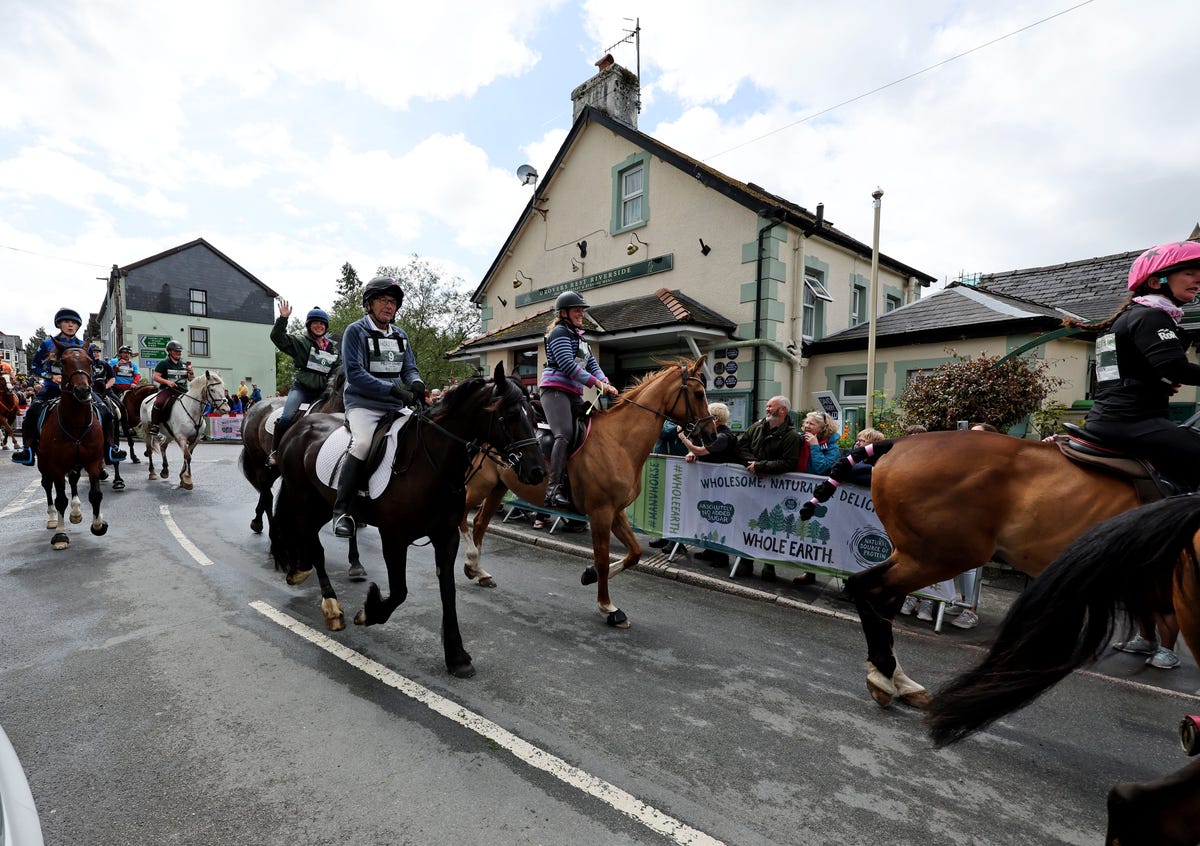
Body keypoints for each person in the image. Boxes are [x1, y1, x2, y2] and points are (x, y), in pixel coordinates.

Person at [1081, 240, 1200, 492]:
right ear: (1157, 282)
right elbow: (1175, 368)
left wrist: (1158, 385)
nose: (1197, 281)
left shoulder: (1133, 316)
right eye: (1189, 273)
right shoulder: (1151, 316)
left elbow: (1124, 374)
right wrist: (1168, 377)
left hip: (1112, 418)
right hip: (1131, 422)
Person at [332, 275, 425, 538]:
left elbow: (409, 368)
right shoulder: (355, 331)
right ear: (370, 303)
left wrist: (416, 383)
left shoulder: (400, 335)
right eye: (383, 300)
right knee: (361, 444)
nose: (389, 306)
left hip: (395, 405)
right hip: (364, 405)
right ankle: (343, 511)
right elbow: (355, 374)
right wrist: (392, 389)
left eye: (393, 302)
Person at [13, 308, 125, 464]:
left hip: (79, 390)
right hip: (52, 389)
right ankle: (27, 450)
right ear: (59, 324)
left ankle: (111, 448)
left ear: (78, 326)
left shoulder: (85, 346)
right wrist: (52, 377)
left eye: (74, 323)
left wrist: (86, 381)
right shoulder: (47, 344)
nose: (70, 325)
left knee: (106, 411)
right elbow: (35, 367)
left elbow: (90, 368)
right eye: (66, 322)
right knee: (32, 412)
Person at [538, 291, 618, 510]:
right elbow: (568, 366)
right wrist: (597, 384)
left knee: (591, 433)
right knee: (563, 434)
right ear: (563, 313)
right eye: (577, 310)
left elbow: (592, 364)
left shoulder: (580, 338)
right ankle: (553, 489)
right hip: (555, 391)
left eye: (582, 310)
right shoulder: (559, 333)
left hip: (574, 393)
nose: (581, 313)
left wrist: (605, 381)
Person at [734, 395, 802, 582]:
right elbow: (740, 447)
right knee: (748, 522)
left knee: (770, 526)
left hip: (775, 490)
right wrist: (753, 465)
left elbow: (789, 463)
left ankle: (768, 565)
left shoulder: (791, 436)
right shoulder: (755, 427)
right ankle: (746, 561)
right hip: (752, 485)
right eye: (767, 406)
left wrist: (761, 466)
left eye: (771, 406)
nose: (767, 409)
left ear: (783, 411)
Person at [267, 301, 342, 465]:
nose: (319, 326)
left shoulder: (333, 349)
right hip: (303, 390)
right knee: (286, 417)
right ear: (309, 325)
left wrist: (331, 387)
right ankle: (275, 451)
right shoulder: (301, 342)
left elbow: (336, 371)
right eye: (315, 323)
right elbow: (277, 337)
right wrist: (283, 319)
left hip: (324, 392)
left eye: (322, 323)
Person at [678, 402, 743, 565]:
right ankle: (711, 550)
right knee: (709, 517)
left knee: (720, 519)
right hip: (711, 484)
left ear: (715, 418)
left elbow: (701, 450)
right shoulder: (712, 434)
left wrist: (682, 437)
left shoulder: (723, 436)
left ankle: (721, 556)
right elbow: (699, 449)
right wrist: (691, 452)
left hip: (723, 485)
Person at [149, 340, 195, 433]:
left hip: (182, 390)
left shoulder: (184, 364)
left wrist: (191, 373)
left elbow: (190, 379)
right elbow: (155, 377)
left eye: (180, 352)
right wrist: (167, 382)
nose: (178, 353)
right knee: (159, 402)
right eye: (176, 351)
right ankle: (154, 425)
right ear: (170, 352)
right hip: (167, 390)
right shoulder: (163, 363)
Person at [800, 410, 842, 475]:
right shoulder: (800, 439)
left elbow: (822, 469)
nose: (807, 426)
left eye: (811, 424)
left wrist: (814, 446)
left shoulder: (832, 446)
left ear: (823, 428)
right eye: (806, 422)